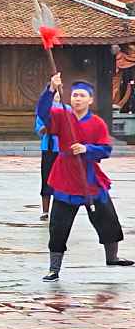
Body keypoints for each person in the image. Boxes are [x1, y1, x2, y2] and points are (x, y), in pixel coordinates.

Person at [37, 73, 134, 280]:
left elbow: (105, 150)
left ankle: (113, 257)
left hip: (90, 178)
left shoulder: (97, 123)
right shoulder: (62, 116)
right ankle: (54, 268)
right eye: (74, 95)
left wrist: (87, 149)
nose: (77, 99)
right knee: (58, 225)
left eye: (82, 95)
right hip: (64, 177)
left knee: (108, 219)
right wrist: (51, 89)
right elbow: (43, 113)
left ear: (90, 100)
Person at [37, 90, 68, 221]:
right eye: (54, 92)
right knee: (47, 177)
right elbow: (39, 130)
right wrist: (49, 126)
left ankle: (62, 209)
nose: (56, 94)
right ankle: (45, 211)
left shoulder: (67, 109)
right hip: (48, 147)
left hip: (63, 148)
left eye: (58, 92)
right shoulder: (44, 110)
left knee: (63, 178)